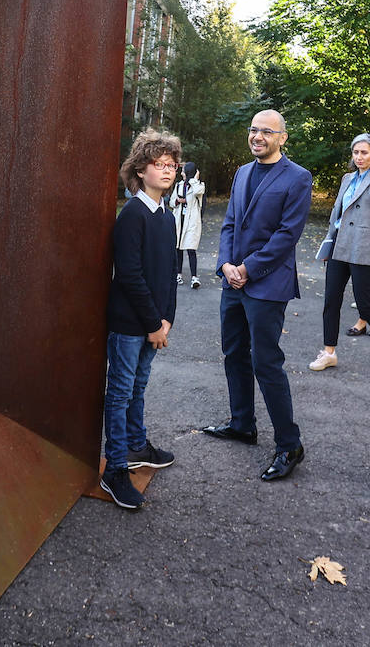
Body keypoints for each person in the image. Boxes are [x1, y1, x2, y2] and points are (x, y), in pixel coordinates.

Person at [201, 110, 313, 482]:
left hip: (266, 284)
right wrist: (226, 265)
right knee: (233, 353)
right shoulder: (243, 172)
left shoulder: (298, 178)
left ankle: (289, 444)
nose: (258, 136)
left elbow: (287, 234)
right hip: (233, 280)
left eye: (267, 131)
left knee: (266, 363)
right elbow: (230, 223)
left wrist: (248, 267)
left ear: (283, 137)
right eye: (253, 130)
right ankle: (242, 424)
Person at [102, 130, 182, 509]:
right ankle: (115, 468)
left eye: (172, 165)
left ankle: (136, 445)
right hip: (130, 325)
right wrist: (153, 323)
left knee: (138, 388)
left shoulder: (166, 215)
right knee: (118, 394)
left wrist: (167, 319)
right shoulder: (133, 214)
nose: (167, 170)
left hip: (154, 324)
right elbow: (129, 275)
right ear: (140, 169)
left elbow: (170, 273)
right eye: (158, 164)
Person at [310, 133, 370, 372]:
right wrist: (330, 238)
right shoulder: (347, 178)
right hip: (339, 246)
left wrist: (367, 232)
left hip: (364, 247)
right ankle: (328, 351)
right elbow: (337, 212)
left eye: (364, 152)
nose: (359, 156)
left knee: (364, 305)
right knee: (331, 301)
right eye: (355, 152)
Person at [170, 161, 205, 288]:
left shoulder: (199, 185)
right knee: (178, 248)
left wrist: (194, 180)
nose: (181, 173)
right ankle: (178, 274)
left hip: (191, 221)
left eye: (184, 170)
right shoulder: (179, 185)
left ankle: (194, 277)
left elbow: (197, 192)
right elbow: (172, 203)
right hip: (180, 219)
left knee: (191, 248)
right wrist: (178, 201)